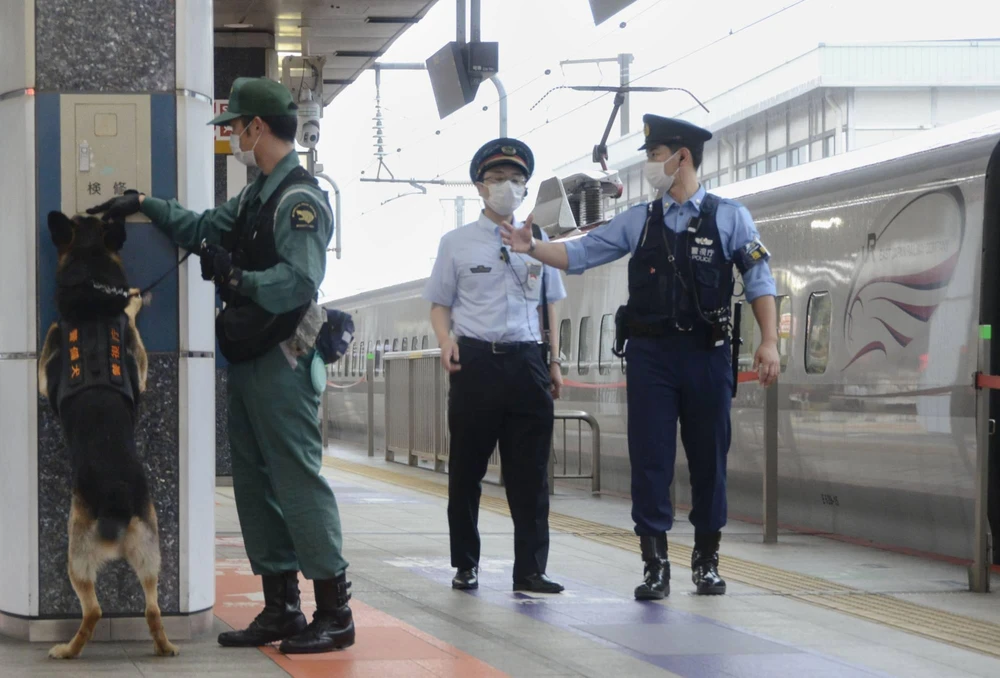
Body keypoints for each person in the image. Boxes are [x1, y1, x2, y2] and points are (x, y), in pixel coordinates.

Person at [87, 77, 354, 654]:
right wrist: (144, 203)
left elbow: (300, 280)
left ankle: (335, 612)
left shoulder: (298, 200)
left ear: (258, 127)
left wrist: (238, 277)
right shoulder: (257, 197)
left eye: (234, 127)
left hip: (282, 359)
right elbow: (204, 229)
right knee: (254, 483)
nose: (230, 136)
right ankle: (282, 607)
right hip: (250, 356)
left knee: (296, 479)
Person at [500, 114, 779, 599]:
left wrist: (769, 340)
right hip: (651, 356)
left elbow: (760, 280)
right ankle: (655, 566)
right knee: (650, 459)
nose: (650, 165)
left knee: (710, 459)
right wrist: (534, 248)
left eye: (655, 155)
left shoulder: (730, 217)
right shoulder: (638, 221)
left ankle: (706, 562)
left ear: (682, 157)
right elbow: (582, 253)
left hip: (707, 355)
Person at [424, 138, 568, 594]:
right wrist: (445, 341)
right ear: (480, 187)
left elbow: (551, 303)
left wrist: (554, 360)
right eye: (497, 178)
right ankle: (466, 564)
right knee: (467, 470)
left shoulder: (539, 241)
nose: (508, 186)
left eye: (516, 179)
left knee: (531, 475)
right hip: (476, 363)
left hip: (528, 362)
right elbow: (439, 303)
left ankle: (530, 570)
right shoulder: (456, 244)